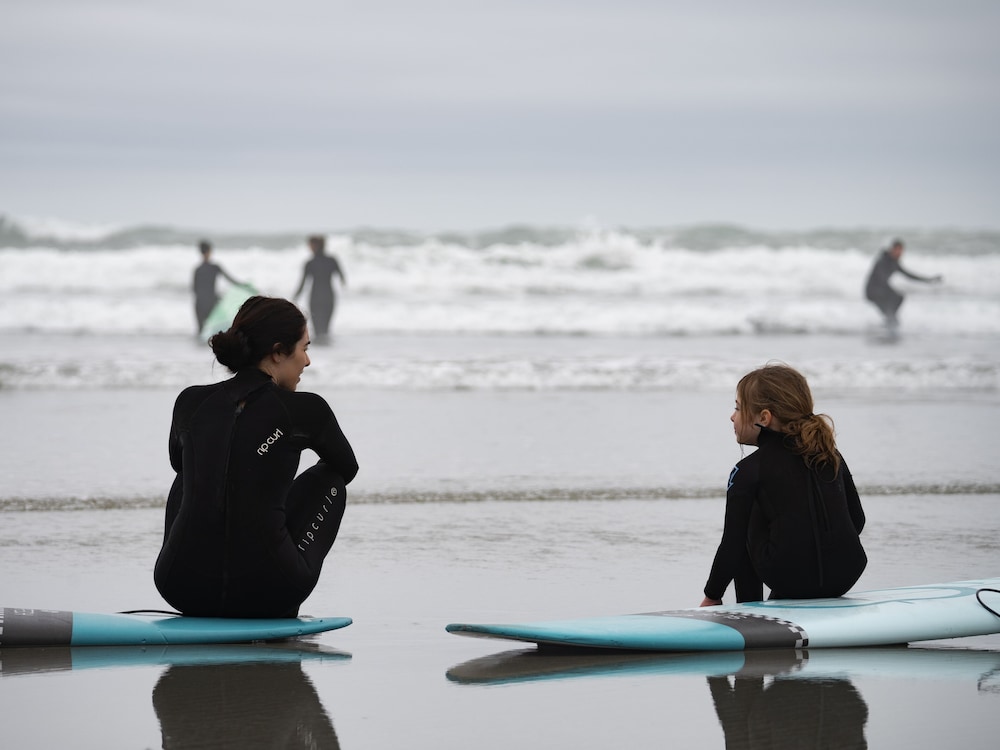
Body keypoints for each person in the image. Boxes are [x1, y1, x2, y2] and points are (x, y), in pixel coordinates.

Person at [154, 295, 359, 618]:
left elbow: (178, 462)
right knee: (330, 479)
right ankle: (280, 588)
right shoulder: (306, 410)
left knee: (191, 472)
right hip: (272, 592)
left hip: (181, 587)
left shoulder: (190, 402)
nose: (307, 361)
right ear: (278, 352)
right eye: (304, 348)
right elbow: (347, 468)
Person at [701, 364, 866, 606]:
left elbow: (732, 545)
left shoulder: (748, 470)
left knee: (748, 517)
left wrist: (712, 596)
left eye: (738, 407)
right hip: (846, 574)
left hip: (789, 579)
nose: (732, 416)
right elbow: (857, 520)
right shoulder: (829, 454)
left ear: (764, 418)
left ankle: (750, 608)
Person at [864, 238, 942, 328]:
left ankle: (887, 321)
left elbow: (909, 275)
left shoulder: (894, 263)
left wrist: (928, 280)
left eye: (901, 251)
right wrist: (889, 289)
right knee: (895, 302)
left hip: (881, 291)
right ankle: (889, 320)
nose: (900, 253)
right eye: (898, 250)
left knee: (898, 300)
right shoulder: (883, 260)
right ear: (892, 249)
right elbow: (880, 277)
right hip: (872, 291)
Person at [294, 235, 346, 341]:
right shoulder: (332, 260)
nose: (309, 247)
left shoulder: (310, 263)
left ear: (315, 245)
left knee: (317, 331)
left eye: (310, 244)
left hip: (315, 298)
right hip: (329, 297)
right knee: (325, 330)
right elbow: (342, 278)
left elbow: (303, 283)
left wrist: (295, 297)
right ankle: (327, 353)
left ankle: (320, 354)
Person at [192, 240, 245, 335]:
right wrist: (243, 286)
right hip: (211, 302)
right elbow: (230, 279)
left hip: (199, 304)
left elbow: (194, 289)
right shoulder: (215, 267)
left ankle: (197, 349)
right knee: (215, 332)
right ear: (209, 251)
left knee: (200, 332)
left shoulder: (197, 270)